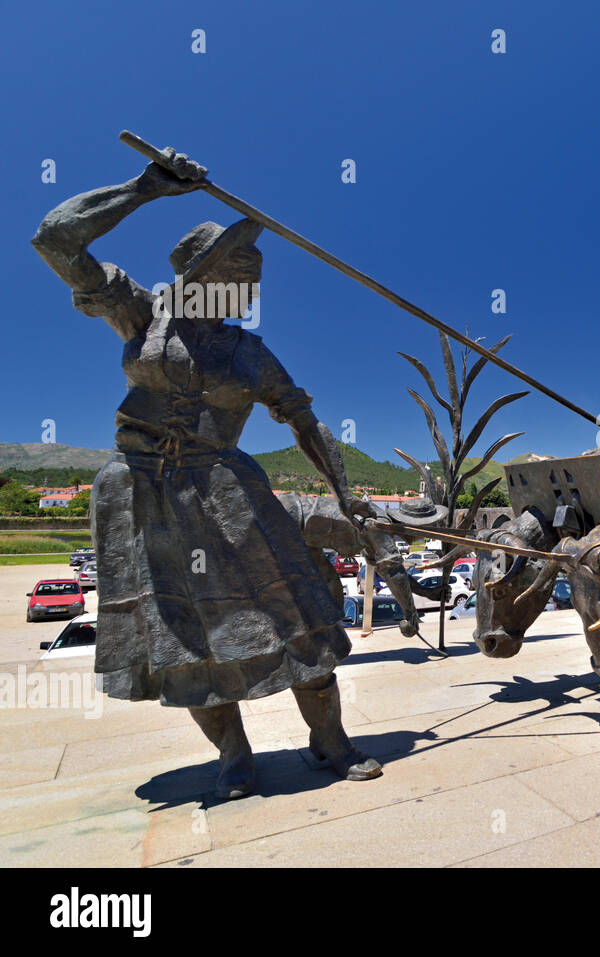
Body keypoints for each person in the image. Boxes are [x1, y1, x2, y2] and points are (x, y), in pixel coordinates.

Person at [32, 147, 383, 799]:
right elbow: (55, 239)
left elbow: (303, 419)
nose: (252, 279)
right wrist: (145, 187)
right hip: (142, 496)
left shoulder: (250, 351)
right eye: (241, 264)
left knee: (303, 625)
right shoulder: (140, 313)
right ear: (203, 270)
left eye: (255, 270)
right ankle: (233, 753)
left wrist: (345, 492)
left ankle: (329, 739)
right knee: (186, 646)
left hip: (230, 493)